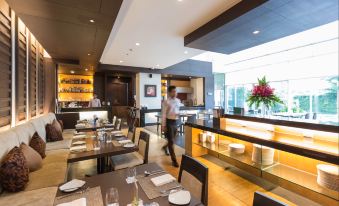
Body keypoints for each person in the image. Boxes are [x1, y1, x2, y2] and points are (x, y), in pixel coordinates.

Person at [161, 86, 182, 167]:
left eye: (175, 91)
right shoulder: (166, 102)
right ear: (169, 92)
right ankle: (174, 160)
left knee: (173, 139)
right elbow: (163, 114)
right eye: (173, 91)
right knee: (172, 141)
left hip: (176, 122)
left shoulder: (178, 100)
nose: (175, 93)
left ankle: (165, 147)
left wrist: (179, 114)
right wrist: (163, 125)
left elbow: (177, 110)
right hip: (169, 122)